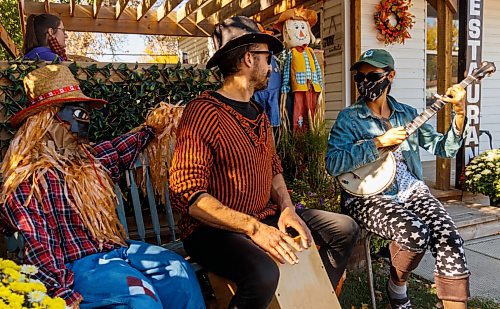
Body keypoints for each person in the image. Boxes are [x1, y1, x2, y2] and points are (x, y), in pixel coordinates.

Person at [169, 16, 359, 309]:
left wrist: (287, 209)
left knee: (343, 229)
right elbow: (188, 195)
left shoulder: (258, 113)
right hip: (213, 230)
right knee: (263, 273)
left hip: (264, 215)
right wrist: (254, 229)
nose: (272, 66)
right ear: (248, 58)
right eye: (267, 58)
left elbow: (273, 168)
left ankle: (313, 300)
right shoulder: (204, 112)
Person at [0, 65, 205, 308]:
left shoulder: (88, 161)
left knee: (179, 272)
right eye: (76, 112)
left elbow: (118, 150)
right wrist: (63, 295)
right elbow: (39, 246)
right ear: (47, 120)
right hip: (77, 266)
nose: (83, 120)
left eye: (85, 112)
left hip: (116, 250)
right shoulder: (29, 182)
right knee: (139, 296)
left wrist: (155, 127)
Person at [325, 49, 470, 309]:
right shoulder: (349, 118)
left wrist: (459, 114)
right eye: (360, 76)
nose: (365, 81)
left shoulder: (406, 113)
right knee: (415, 233)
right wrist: (379, 142)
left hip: (411, 189)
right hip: (367, 196)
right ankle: (397, 287)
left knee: (448, 236)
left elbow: (444, 148)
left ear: (390, 76)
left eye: (373, 75)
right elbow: (333, 163)